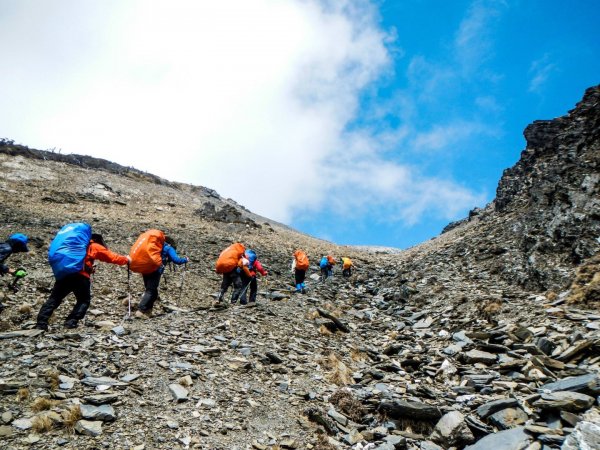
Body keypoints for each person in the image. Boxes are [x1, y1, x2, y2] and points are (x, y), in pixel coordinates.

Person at [36, 233, 130, 330]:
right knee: (83, 300)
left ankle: (41, 323)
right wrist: (126, 260)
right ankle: (71, 322)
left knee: (54, 299)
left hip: (65, 275)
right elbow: (111, 256)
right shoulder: (93, 246)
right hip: (80, 277)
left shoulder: (74, 247)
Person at [135, 236, 188, 319]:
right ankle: (140, 310)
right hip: (156, 271)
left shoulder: (154, 247)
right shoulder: (168, 248)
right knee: (150, 291)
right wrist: (185, 259)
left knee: (153, 292)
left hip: (146, 268)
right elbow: (176, 260)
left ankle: (148, 311)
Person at [0, 233, 29, 311]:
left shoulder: (3, 245)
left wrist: (11, 271)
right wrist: (9, 270)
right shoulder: (7, 249)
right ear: (17, 245)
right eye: (20, 248)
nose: (19, 251)